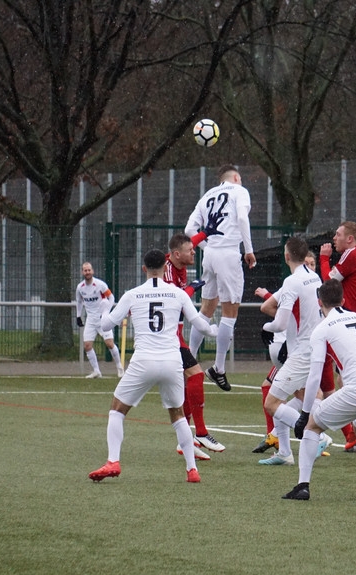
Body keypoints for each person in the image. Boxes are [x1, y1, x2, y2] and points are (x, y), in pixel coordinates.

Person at [88, 248, 219, 484]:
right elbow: (199, 324)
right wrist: (214, 331)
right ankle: (192, 470)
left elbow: (107, 323)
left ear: (144, 269)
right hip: (171, 361)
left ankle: (113, 461)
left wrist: (106, 305)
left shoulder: (133, 294)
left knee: (117, 409)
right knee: (178, 414)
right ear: (165, 265)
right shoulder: (178, 294)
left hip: (144, 360)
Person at [281, 279, 356, 501]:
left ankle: (302, 486)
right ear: (343, 300)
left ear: (319, 303)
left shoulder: (322, 328)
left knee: (312, 426)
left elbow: (315, 375)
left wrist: (305, 413)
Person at [251, 250, 332, 456]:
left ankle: (314, 437)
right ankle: (287, 450)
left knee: (278, 401)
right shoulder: (313, 280)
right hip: (300, 348)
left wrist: (269, 326)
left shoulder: (295, 282)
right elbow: (276, 310)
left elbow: (277, 318)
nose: (311, 267)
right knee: (304, 395)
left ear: (287, 257)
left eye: (314, 264)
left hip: (298, 351)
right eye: (309, 263)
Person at [185, 164, 256, 392]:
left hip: (211, 255)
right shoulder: (239, 191)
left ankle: (188, 361)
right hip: (228, 253)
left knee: (206, 309)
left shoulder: (207, 196)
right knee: (230, 311)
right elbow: (243, 219)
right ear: (236, 177)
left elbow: (189, 229)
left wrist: (207, 246)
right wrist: (249, 249)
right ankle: (218, 368)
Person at [164, 232, 226, 461]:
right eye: (190, 250)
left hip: (174, 334)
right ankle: (200, 433)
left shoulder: (176, 261)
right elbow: (175, 300)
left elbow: (184, 245)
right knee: (196, 375)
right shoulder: (168, 270)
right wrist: (190, 289)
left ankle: (186, 441)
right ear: (177, 254)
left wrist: (205, 233)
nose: (194, 252)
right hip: (167, 336)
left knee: (188, 382)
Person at [319, 220, 356, 451]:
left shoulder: (353, 255)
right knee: (344, 378)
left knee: (346, 379)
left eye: (339, 234)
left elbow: (329, 284)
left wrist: (323, 259)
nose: (334, 238)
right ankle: (354, 430)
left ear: (350, 239)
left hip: (355, 323)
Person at [76, 262, 124, 379]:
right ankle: (96, 371)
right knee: (87, 345)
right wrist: (78, 316)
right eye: (85, 270)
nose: (87, 272)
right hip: (90, 320)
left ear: (92, 271)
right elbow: (79, 302)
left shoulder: (100, 285)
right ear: (82, 272)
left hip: (102, 319)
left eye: (89, 270)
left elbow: (111, 297)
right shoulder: (80, 287)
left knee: (109, 343)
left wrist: (107, 311)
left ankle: (120, 368)